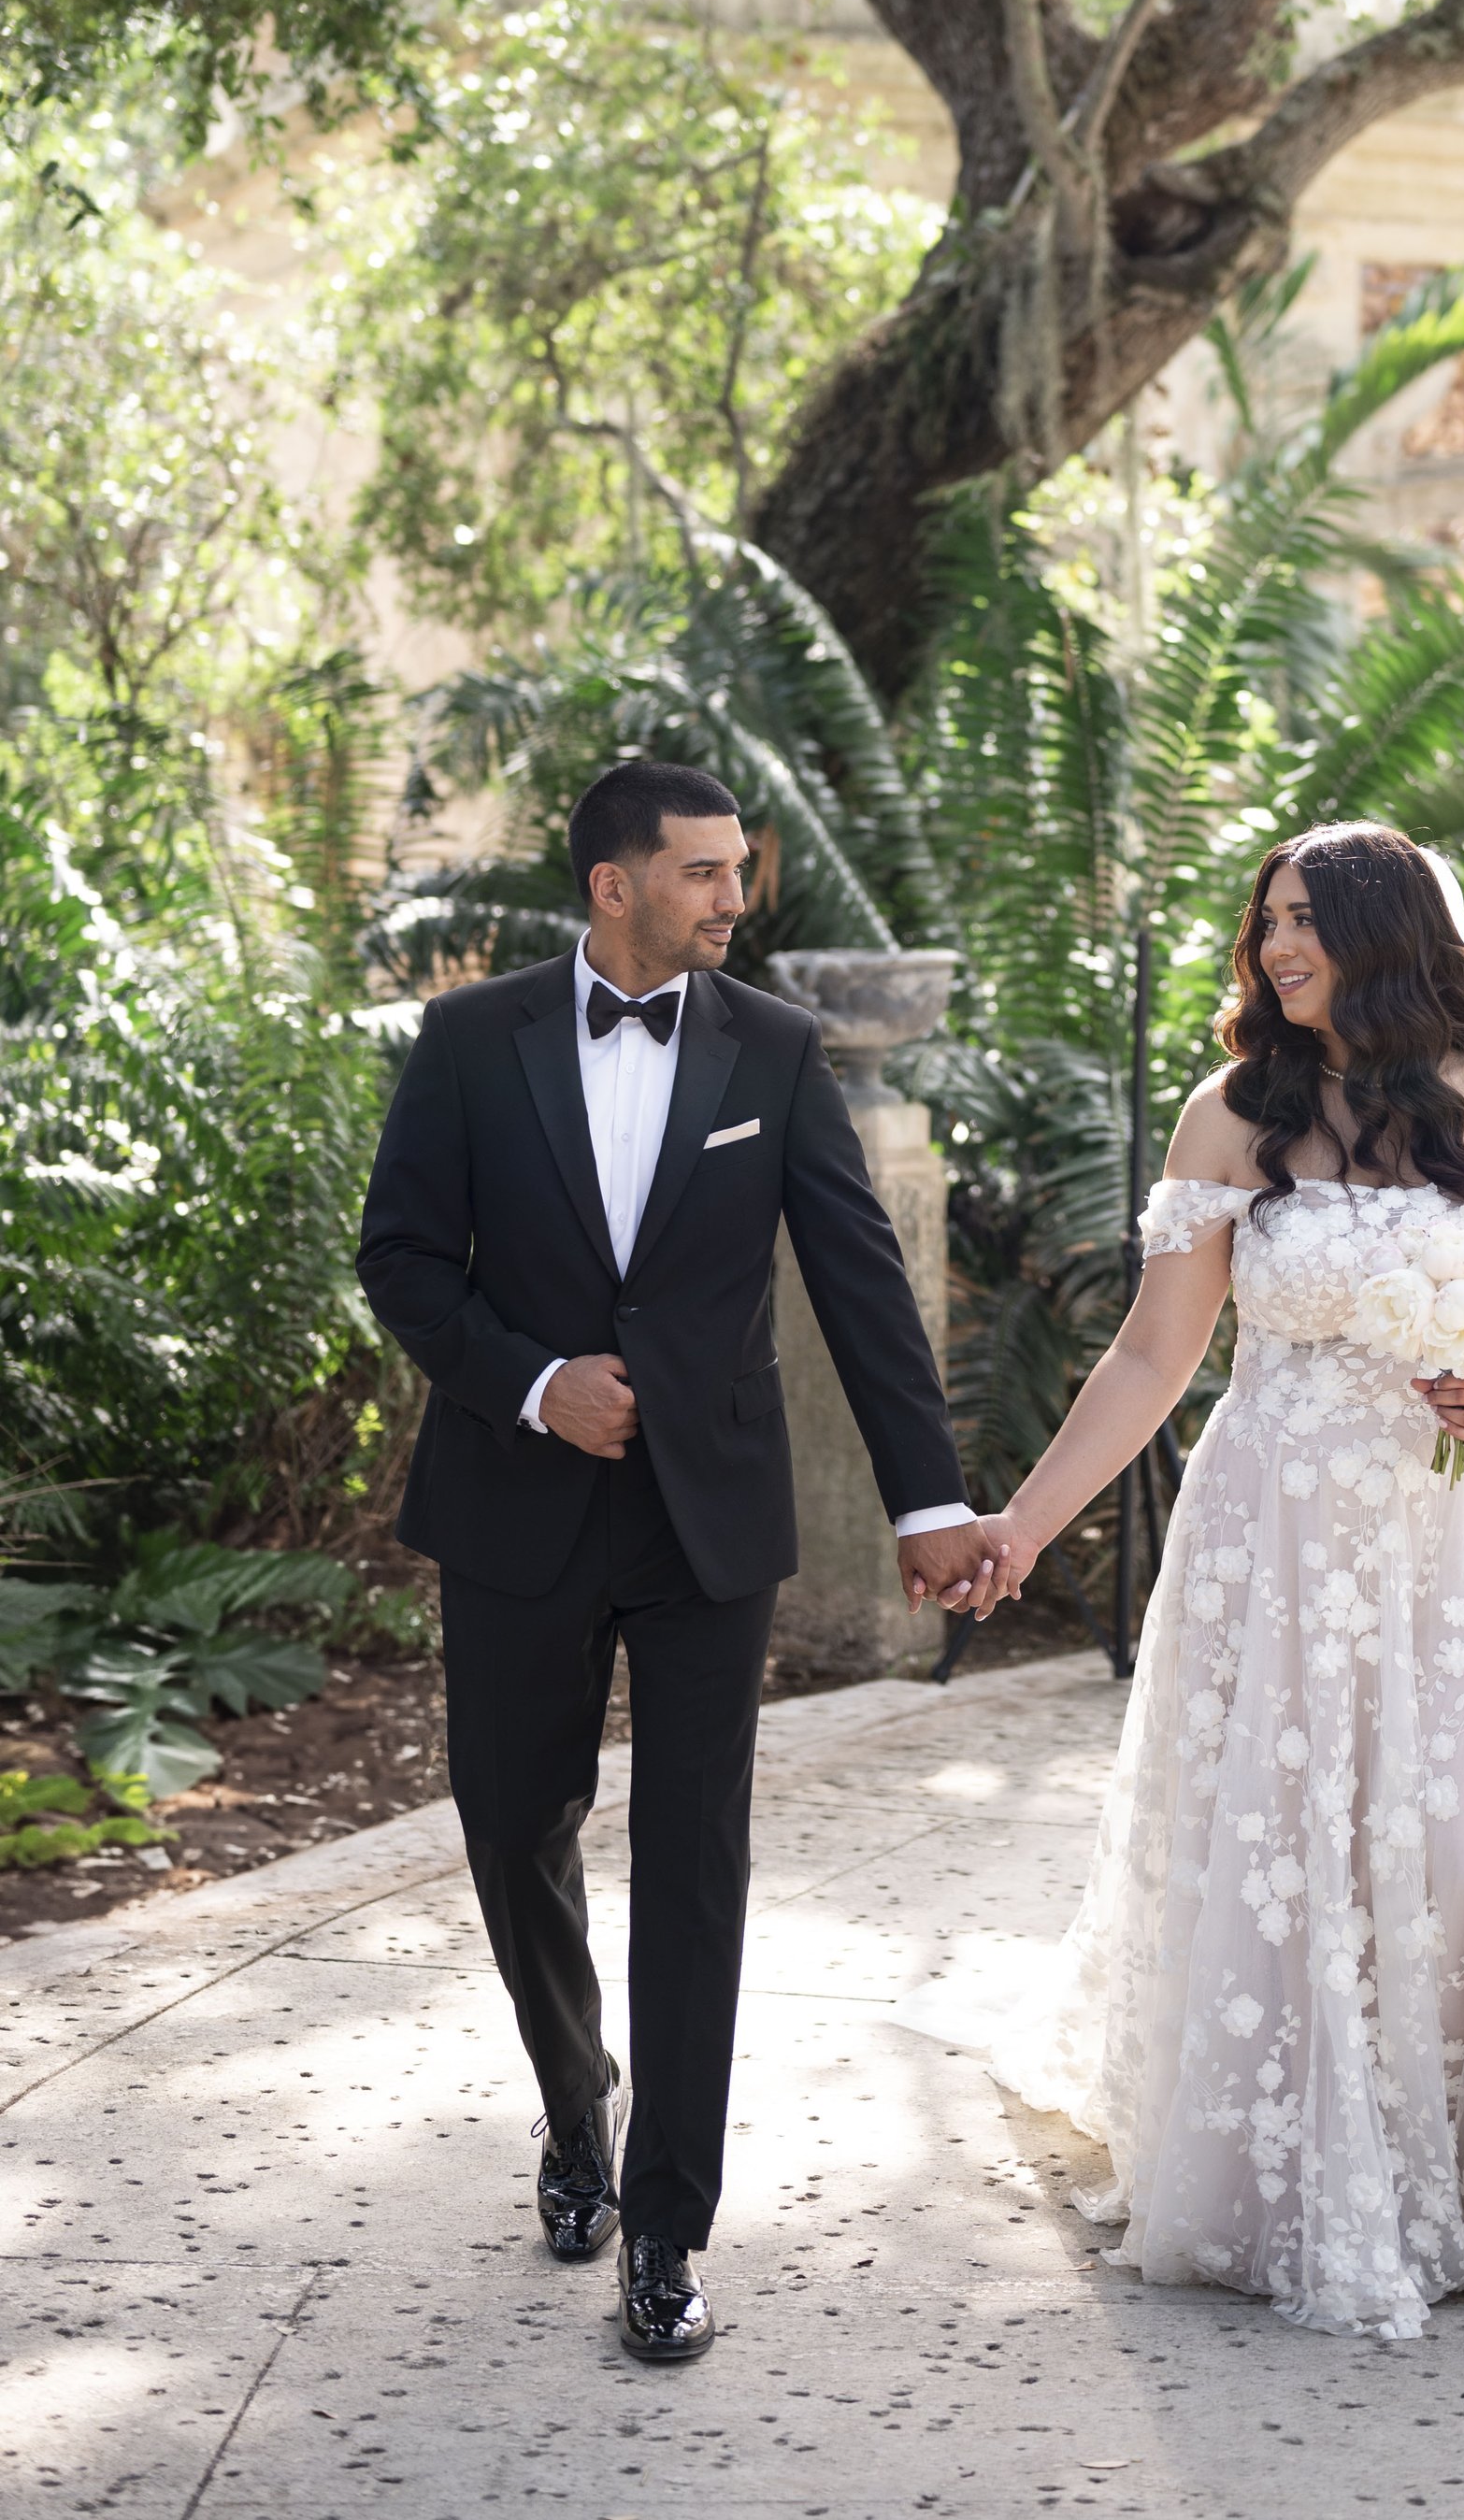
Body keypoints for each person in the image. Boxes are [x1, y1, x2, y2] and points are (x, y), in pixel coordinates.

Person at [987, 820, 1464, 2338]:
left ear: (1390, 930)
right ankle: (1284, 2169)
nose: (1277, 947)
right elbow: (1150, 1355)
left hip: (1462, 1540)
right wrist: (1027, 1522)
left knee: (1463, 1834)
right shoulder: (1230, 1113)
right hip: (1276, 1529)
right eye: (1267, 921)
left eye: (1308, 919)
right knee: (1285, 1838)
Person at [356, 759, 1001, 2366]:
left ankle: (664, 2224)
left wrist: (929, 1501)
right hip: (519, 1497)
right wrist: (530, 1379)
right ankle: (578, 2106)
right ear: (613, 884)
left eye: (735, 870)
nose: (735, 898)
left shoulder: (774, 1053)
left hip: (711, 1518)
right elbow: (403, 1258)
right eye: (705, 872)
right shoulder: (467, 1041)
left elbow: (860, 1283)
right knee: (514, 1825)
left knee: (698, 1866)